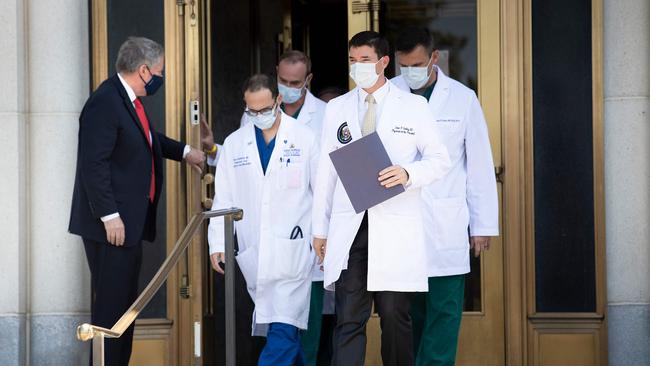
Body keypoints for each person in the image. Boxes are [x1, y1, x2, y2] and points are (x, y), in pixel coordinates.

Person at [311, 31, 452, 366]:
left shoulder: (413, 106)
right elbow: (325, 173)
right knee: (348, 318)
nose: (358, 67)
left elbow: (440, 161)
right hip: (352, 226)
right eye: (353, 60)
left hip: (394, 228)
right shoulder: (337, 109)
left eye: (365, 60)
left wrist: (408, 173)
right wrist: (320, 229)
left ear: (384, 62)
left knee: (395, 318)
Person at [68, 37, 205, 366]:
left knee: (124, 312)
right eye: (160, 72)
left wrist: (186, 152)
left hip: (125, 224)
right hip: (111, 228)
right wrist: (109, 215)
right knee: (111, 315)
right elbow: (94, 164)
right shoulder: (106, 101)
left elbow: (146, 138)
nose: (161, 78)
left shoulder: (123, 99)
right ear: (144, 70)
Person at [392, 27, 499, 365]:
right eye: (404, 64)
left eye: (418, 64)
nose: (410, 71)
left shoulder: (462, 97)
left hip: (446, 224)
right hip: (399, 220)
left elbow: (479, 163)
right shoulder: (388, 94)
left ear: (434, 58)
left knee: (445, 310)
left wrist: (482, 224)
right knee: (410, 313)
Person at [208, 74, 319, 366]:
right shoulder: (235, 144)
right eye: (252, 111)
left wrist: (323, 235)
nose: (258, 116)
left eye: (264, 109)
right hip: (255, 250)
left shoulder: (304, 138)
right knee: (281, 328)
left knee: (282, 327)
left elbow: (322, 193)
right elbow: (224, 198)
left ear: (278, 100)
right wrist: (217, 242)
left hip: (293, 249)